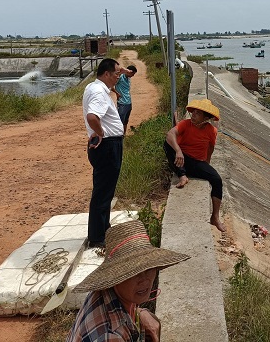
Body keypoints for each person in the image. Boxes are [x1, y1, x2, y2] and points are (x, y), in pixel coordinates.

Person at [67, 219, 189, 342]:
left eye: (148, 268)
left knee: (151, 318)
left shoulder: (109, 293)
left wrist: (141, 313)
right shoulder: (111, 336)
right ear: (115, 277)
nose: (144, 279)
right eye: (133, 273)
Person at [163, 98, 226, 232]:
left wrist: (207, 163)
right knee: (168, 145)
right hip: (180, 159)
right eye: (194, 113)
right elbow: (170, 134)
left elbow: (210, 148)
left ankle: (215, 217)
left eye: (198, 114)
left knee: (216, 179)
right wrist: (178, 151)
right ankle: (182, 176)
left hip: (196, 162)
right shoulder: (186, 124)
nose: (194, 115)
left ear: (205, 118)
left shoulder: (211, 131)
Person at [82, 58, 125, 248]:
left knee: (105, 190)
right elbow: (92, 117)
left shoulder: (96, 88)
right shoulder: (99, 92)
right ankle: (97, 237)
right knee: (102, 192)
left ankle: (103, 229)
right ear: (106, 74)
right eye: (116, 74)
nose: (118, 77)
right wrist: (100, 133)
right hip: (106, 145)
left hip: (107, 144)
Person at [112, 65, 137, 134]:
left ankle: (124, 135)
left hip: (128, 102)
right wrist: (117, 93)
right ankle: (119, 135)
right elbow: (111, 85)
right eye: (133, 73)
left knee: (126, 121)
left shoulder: (128, 78)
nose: (133, 75)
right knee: (120, 121)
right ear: (129, 72)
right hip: (122, 103)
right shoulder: (119, 78)